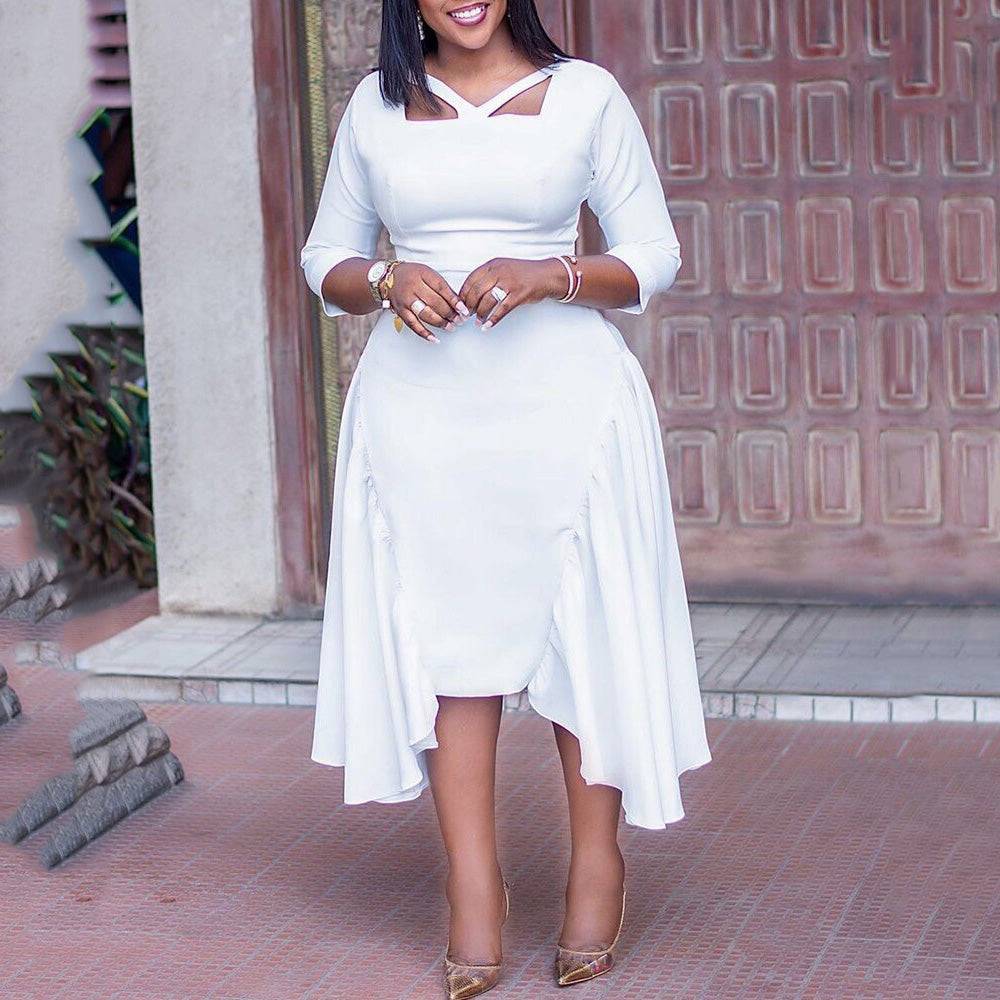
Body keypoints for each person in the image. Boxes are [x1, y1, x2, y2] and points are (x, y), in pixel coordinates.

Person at [300, 1, 712, 995]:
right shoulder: (376, 106)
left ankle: (597, 866)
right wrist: (387, 278)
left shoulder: (586, 96)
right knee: (448, 645)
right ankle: (472, 892)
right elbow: (325, 260)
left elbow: (652, 254)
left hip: (564, 405)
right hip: (422, 413)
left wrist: (551, 273)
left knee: (588, 631)